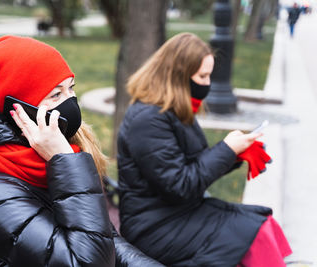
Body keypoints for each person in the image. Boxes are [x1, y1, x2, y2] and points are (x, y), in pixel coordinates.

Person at [0, 35, 164, 266]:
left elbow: (107, 241)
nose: (70, 103)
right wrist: (66, 160)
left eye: (71, 89)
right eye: (56, 95)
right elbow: (88, 262)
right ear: (16, 110)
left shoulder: (36, 159)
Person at [117, 33, 292, 266]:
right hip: (154, 227)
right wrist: (227, 150)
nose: (207, 83)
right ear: (178, 75)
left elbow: (192, 165)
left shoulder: (173, 109)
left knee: (263, 223)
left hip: (177, 213)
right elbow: (179, 186)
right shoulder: (147, 119)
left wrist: (236, 154)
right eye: (202, 76)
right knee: (253, 232)